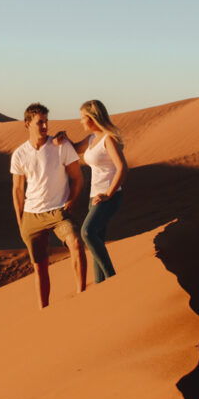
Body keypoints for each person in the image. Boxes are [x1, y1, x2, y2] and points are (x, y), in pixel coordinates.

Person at [11, 102, 87, 308]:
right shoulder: (19, 154)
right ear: (27, 124)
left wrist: (72, 200)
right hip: (32, 217)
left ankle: (83, 298)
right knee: (40, 266)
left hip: (59, 212)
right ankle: (44, 311)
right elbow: (18, 190)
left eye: (46, 122)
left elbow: (78, 178)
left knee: (76, 243)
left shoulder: (61, 145)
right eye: (40, 123)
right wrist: (21, 223)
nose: (45, 126)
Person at [57, 100, 128, 284]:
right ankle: (100, 285)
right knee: (96, 240)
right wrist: (64, 139)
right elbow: (74, 150)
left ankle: (111, 279)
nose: (80, 122)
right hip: (94, 198)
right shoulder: (91, 140)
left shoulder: (108, 139)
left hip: (108, 197)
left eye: (83, 118)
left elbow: (122, 167)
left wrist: (109, 194)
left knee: (87, 233)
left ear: (92, 118)